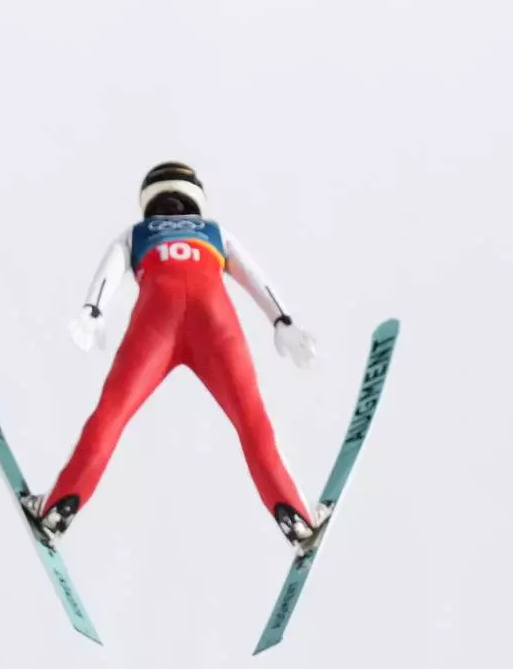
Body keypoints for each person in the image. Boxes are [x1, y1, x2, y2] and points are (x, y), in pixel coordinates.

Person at [22, 161, 328, 554]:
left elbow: (108, 275)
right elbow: (255, 277)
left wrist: (92, 312)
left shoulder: (136, 234)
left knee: (111, 415)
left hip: (156, 323)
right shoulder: (215, 232)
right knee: (252, 420)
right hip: (214, 320)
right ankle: (296, 517)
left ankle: (58, 507)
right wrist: (283, 321)